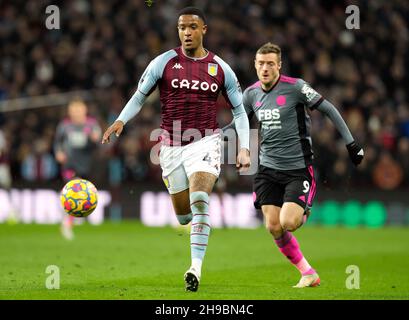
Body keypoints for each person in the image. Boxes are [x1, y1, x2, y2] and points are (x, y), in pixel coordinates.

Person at [102, 7, 251, 292]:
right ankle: (195, 225)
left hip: (205, 141)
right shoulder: (164, 62)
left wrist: (244, 149)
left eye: (192, 27)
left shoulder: (221, 68)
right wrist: (121, 120)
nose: (186, 32)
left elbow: (240, 113)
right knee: (183, 215)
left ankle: (195, 267)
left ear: (203, 30)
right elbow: (139, 96)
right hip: (170, 146)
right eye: (182, 27)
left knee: (199, 199)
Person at [226, 42, 364, 288]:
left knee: (289, 222)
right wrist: (208, 138)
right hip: (267, 168)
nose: (265, 68)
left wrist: (351, 144)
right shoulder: (250, 94)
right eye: (261, 63)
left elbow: (330, 109)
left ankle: (303, 206)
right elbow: (239, 124)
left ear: (279, 65)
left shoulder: (296, 87)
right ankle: (308, 272)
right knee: (273, 225)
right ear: (255, 65)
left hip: (297, 168)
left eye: (270, 63)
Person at [54, 98, 102, 240]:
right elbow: (58, 142)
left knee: (81, 193)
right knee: (75, 187)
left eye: (78, 110)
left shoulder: (91, 124)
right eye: (73, 110)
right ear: (69, 112)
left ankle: (72, 215)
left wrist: (96, 138)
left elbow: (99, 140)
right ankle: (67, 224)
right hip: (70, 164)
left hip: (87, 164)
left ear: (84, 111)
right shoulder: (64, 126)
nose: (76, 113)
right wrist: (59, 153)